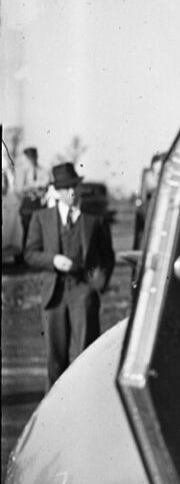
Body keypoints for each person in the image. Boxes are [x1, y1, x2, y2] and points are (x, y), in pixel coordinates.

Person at [23, 162, 116, 388]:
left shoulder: (94, 219)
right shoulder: (42, 218)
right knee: (55, 361)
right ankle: (54, 407)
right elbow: (30, 254)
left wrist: (98, 284)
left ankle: (88, 403)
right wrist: (53, 260)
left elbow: (108, 256)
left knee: (87, 356)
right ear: (57, 191)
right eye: (65, 188)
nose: (72, 192)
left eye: (74, 186)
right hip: (53, 296)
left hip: (83, 292)